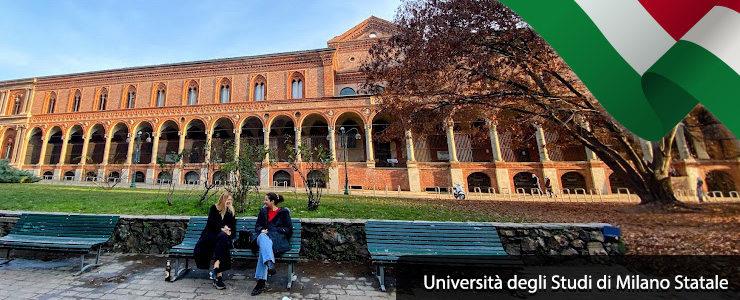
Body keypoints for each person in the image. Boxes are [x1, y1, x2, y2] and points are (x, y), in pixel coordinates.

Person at [251, 192, 293, 296]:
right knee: (262, 237)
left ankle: (260, 282)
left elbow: (289, 230)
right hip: (264, 239)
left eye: (266, 200)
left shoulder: (283, 212)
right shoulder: (263, 211)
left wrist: (273, 230)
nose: (264, 202)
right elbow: (257, 226)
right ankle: (269, 262)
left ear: (272, 202)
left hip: (276, 241)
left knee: (263, 250)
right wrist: (261, 230)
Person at [194, 192, 236, 290]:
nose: (229, 202)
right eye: (228, 200)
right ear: (223, 200)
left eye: (230, 200)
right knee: (222, 241)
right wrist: (221, 228)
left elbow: (232, 225)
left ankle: (217, 269)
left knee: (223, 237)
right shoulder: (214, 208)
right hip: (212, 235)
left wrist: (229, 231)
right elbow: (211, 223)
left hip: (223, 236)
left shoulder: (231, 211)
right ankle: (218, 275)